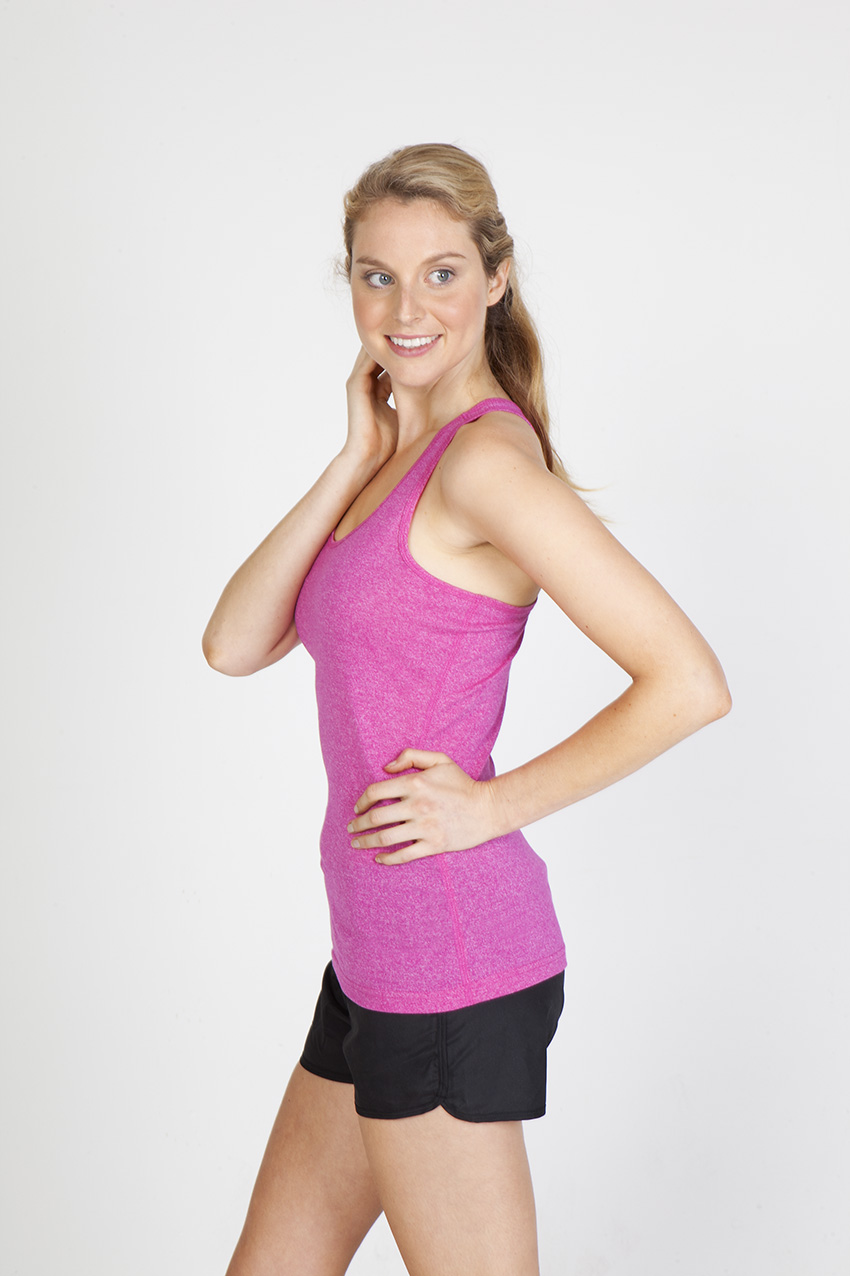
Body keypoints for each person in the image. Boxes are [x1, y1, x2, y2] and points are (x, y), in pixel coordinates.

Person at [202, 142, 731, 1276]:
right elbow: (234, 642)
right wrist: (357, 451)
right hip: (374, 953)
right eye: (377, 276)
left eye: (441, 273)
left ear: (496, 277)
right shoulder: (399, 458)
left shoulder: (483, 465)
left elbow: (688, 681)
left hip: (447, 962)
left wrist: (490, 807)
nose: (406, 310)